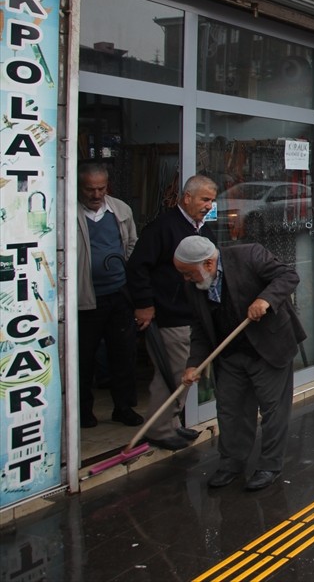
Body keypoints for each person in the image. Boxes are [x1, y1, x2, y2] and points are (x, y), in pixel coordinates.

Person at [175, 236, 305, 491]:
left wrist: (265, 299)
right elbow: (200, 327)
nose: (186, 279)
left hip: (269, 347)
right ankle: (231, 463)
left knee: (273, 411)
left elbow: (288, 276)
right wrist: (194, 364)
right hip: (230, 354)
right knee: (231, 410)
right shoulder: (195, 285)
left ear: (209, 264)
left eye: (188, 273)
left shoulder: (250, 255)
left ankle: (269, 466)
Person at [126, 174, 218, 451]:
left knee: (185, 373)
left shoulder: (203, 229)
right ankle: (158, 430)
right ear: (187, 198)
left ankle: (172, 424)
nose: (209, 206)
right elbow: (137, 267)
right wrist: (144, 305)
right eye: (204, 199)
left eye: (212, 201)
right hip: (170, 313)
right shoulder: (163, 228)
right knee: (173, 373)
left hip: (193, 314)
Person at [76, 164, 143, 429]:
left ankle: (123, 407)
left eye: (101, 188)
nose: (95, 194)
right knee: (84, 358)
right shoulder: (70, 211)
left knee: (123, 354)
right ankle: (83, 411)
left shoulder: (120, 209)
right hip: (86, 297)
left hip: (118, 293)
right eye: (90, 189)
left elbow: (131, 244)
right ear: (80, 187)